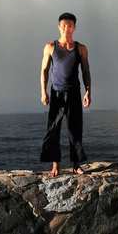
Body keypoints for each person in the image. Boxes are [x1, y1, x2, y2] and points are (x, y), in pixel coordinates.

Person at [39, 12, 91, 177]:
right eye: (63, 25)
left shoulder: (80, 48)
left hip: (75, 92)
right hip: (56, 93)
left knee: (74, 129)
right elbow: (44, 70)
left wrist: (88, 91)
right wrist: (43, 91)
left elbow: (85, 71)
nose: (66, 28)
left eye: (69, 25)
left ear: (74, 28)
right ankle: (55, 165)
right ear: (59, 27)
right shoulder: (50, 47)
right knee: (53, 129)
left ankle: (76, 164)